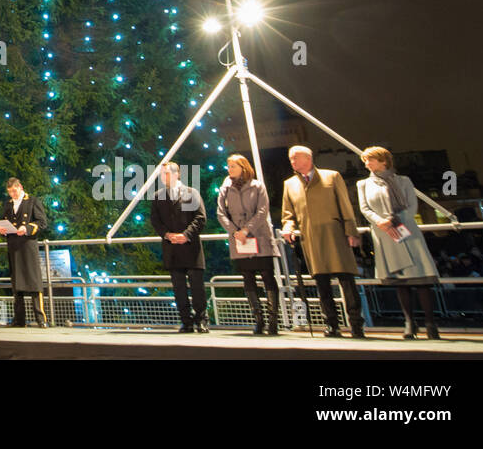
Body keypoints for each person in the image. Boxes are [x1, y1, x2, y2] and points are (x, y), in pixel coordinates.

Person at [357, 146, 441, 339]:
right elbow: (365, 208)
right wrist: (381, 222)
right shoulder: (363, 184)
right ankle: (409, 322)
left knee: (421, 279)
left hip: (407, 231)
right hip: (385, 233)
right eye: (365, 161)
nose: (367, 164)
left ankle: (430, 324)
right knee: (400, 282)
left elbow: (412, 206)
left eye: (370, 160)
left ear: (383, 161)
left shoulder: (403, 181)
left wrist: (398, 220)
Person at [281, 145, 364, 338]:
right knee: (322, 284)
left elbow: (345, 205)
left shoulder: (331, 176)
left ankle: (356, 324)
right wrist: (288, 227)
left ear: (307, 158)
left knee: (347, 281)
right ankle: (332, 324)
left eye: (295, 158)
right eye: (290, 158)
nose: (292, 161)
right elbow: (288, 213)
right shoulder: (290, 184)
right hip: (311, 238)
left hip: (336, 235)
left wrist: (351, 232)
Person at [215, 154, 281, 335]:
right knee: (248, 277)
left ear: (243, 167)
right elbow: (220, 213)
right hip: (239, 239)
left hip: (259, 235)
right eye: (228, 166)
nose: (229, 169)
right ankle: (258, 319)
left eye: (233, 166)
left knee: (268, 275)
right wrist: (235, 231)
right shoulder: (225, 188)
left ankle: (273, 319)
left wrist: (246, 230)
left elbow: (262, 210)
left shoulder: (257, 185)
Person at [151, 162, 208, 333]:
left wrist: (186, 235)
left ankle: (201, 319)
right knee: (179, 288)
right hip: (172, 248)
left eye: (167, 173)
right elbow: (155, 220)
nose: (163, 177)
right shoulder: (158, 196)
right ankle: (186, 320)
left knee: (197, 286)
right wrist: (167, 235)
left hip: (191, 247)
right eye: (162, 174)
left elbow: (200, 217)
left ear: (177, 174)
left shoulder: (191, 193)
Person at [0, 177, 49, 327]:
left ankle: (41, 319)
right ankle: (19, 319)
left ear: (20, 187)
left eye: (14, 191)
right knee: (17, 282)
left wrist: (26, 228)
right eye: (10, 192)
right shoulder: (8, 204)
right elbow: (5, 221)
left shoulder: (32, 201)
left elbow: (42, 222)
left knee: (33, 281)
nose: (12, 195)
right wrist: (2, 230)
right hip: (13, 245)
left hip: (28, 245)